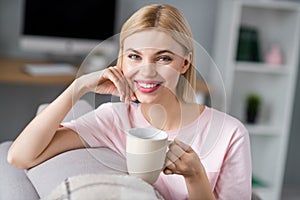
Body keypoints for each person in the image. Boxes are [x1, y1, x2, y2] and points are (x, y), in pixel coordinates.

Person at [7, 4, 252, 200]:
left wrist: (196, 177)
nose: (147, 71)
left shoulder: (230, 134)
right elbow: (20, 156)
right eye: (134, 56)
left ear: (184, 63)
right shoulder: (114, 119)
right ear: (122, 60)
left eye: (163, 58)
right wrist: (78, 86)